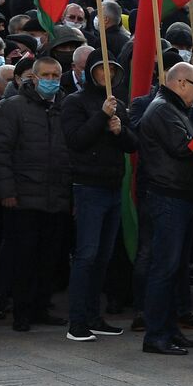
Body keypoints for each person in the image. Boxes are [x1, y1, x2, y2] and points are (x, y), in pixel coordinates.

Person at [0, 56, 73, 331]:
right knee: (23, 258)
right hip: (23, 197)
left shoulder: (65, 107)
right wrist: (7, 191)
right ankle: (22, 312)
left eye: (56, 75)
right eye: (46, 75)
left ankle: (41, 307)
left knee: (49, 258)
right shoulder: (13, 108)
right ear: (33, 78)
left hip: (56, 197)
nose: (51, 80)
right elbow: (0, 151)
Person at [61, 59, 136, 341]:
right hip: (88, 187)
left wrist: (120, 130)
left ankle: (93, 316)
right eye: (103, 68)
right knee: (87, 255)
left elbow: (132, 144)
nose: (109, 74)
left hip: (113, 186)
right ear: (92, 72)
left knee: (103, 257)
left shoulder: (117, 102)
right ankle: (77, 321)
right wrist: (101, 117)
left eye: (113, 69)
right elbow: (76, 139)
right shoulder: (75, 102)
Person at [137, 62, 193, 355]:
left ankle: (169, 329)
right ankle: (156, 334)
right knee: (164, 267)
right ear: (180, 83)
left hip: (179, 195)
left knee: (174, 267)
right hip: (168, 197)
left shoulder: (174, 108)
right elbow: (183, 147)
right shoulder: (163, 109)